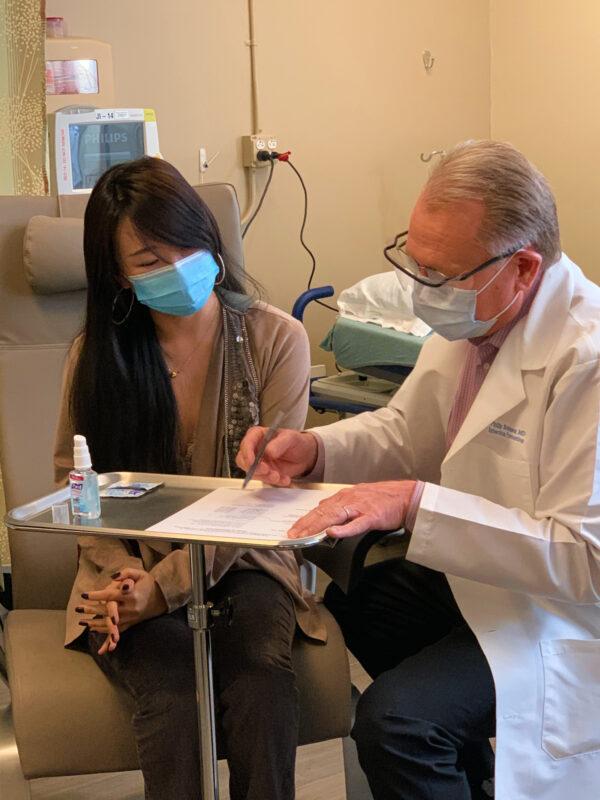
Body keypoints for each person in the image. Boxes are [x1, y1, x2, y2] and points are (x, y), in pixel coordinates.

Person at [237, 140, 600, 800]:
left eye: (440, 275)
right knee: (353, 596)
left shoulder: (587, 359)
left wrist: (414, 505)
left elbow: (583, 559)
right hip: (484, 582)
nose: (421, 290)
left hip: (563, 616)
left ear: (522, 267)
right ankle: (469, 775)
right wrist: (318, 452)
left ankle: (444, 754)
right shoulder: (478, 320)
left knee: (397, 725)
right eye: (415, 262)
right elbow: (408, 432)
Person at [54, 156, 324, 800]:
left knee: (260, 683)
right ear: (118, 276)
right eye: (148, 261)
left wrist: (166, 589)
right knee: (171, 695)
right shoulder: (98, 355)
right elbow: (75, 482)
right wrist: (125, 575)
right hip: (126, 563)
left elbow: (264, 500)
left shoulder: (275, 340)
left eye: (185, 244)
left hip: (250, 560)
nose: (176, 266)